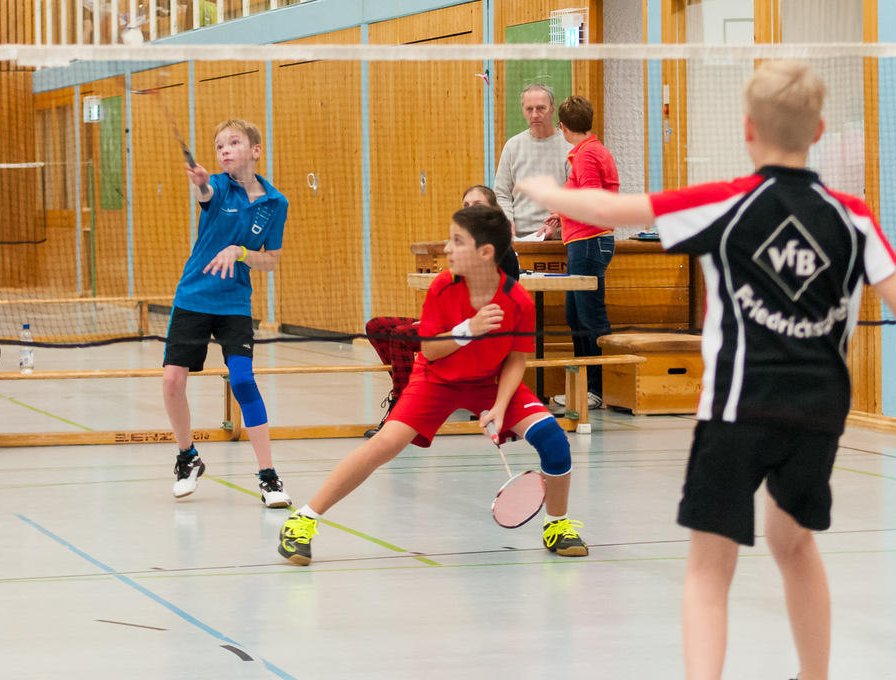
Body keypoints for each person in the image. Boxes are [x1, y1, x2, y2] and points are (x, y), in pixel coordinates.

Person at [516, 60, 896, 680]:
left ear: (747, 130)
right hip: (817, 413)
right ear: (818, 131)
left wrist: (548, 193)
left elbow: (618, 209)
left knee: (709, 568)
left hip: (737, 408)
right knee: (795, 544)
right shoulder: (853, 216)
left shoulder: (726, 201)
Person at [278, 205, 588, 565]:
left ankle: (557, 524)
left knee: (553, 439)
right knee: (385, 444)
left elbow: (516, 359)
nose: (447, 248)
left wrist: (501, 406)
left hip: (489, 380)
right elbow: (430, 349)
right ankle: (303, 520)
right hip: (437, 378)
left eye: (457, 241)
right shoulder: (443, 287)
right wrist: (469, 329)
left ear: (485, 252)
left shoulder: (518, 300)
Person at [164, 119, 292, 508]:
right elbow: (204, 193)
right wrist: (201, 182)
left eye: (233, 143)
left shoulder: (276, 203)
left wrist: (239, 252)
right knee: (172, 382)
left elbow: (271, 260)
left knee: (243, 380)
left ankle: (268, 475)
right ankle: (187, 456)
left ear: (255, 150)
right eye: (219, 146)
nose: (224, 150)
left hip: (234, 302)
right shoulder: (218, 187)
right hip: (193, 297)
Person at [363, 185, 520, 438]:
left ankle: (403, 412)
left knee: (402, 335)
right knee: (377, 326)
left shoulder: (500, 252)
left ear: (493, 210)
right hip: (454, 324)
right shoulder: (465, 249)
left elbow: (493, 308)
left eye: (477, 205)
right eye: (466, 206)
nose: (470, 210)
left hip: (479, 332)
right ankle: (414, 394)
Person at [535, 95, 619, 410]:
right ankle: (584, 386)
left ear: (562, 126)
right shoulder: (589, 151)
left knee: (589, 316)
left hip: (589, 242)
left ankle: (597, 388)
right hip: (582, 242)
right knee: (575, 315)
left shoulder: (586, 155)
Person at [494, 84, 570, 237]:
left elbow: (577, 196)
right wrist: (508, 222)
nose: (535, 115)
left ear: (552, 109)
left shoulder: (569, 146)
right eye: (529, 109)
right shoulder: (512, 146)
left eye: (541, 108)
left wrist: (559, 223)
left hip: (560, 237)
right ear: (523, 111)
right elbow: (502, 194)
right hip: (520, 237)